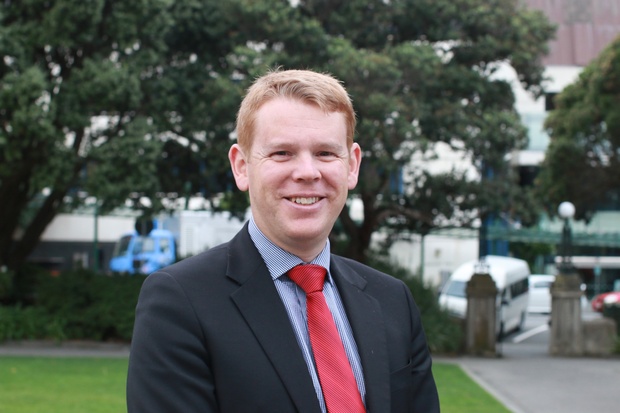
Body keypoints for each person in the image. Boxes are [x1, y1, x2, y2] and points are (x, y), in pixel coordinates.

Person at [126, 69, 440, 413]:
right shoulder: (181, 303)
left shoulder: (392, 301)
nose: (307, 172)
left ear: (352, 165)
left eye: (325, 153)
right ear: (241, 166)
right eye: (282, 153)